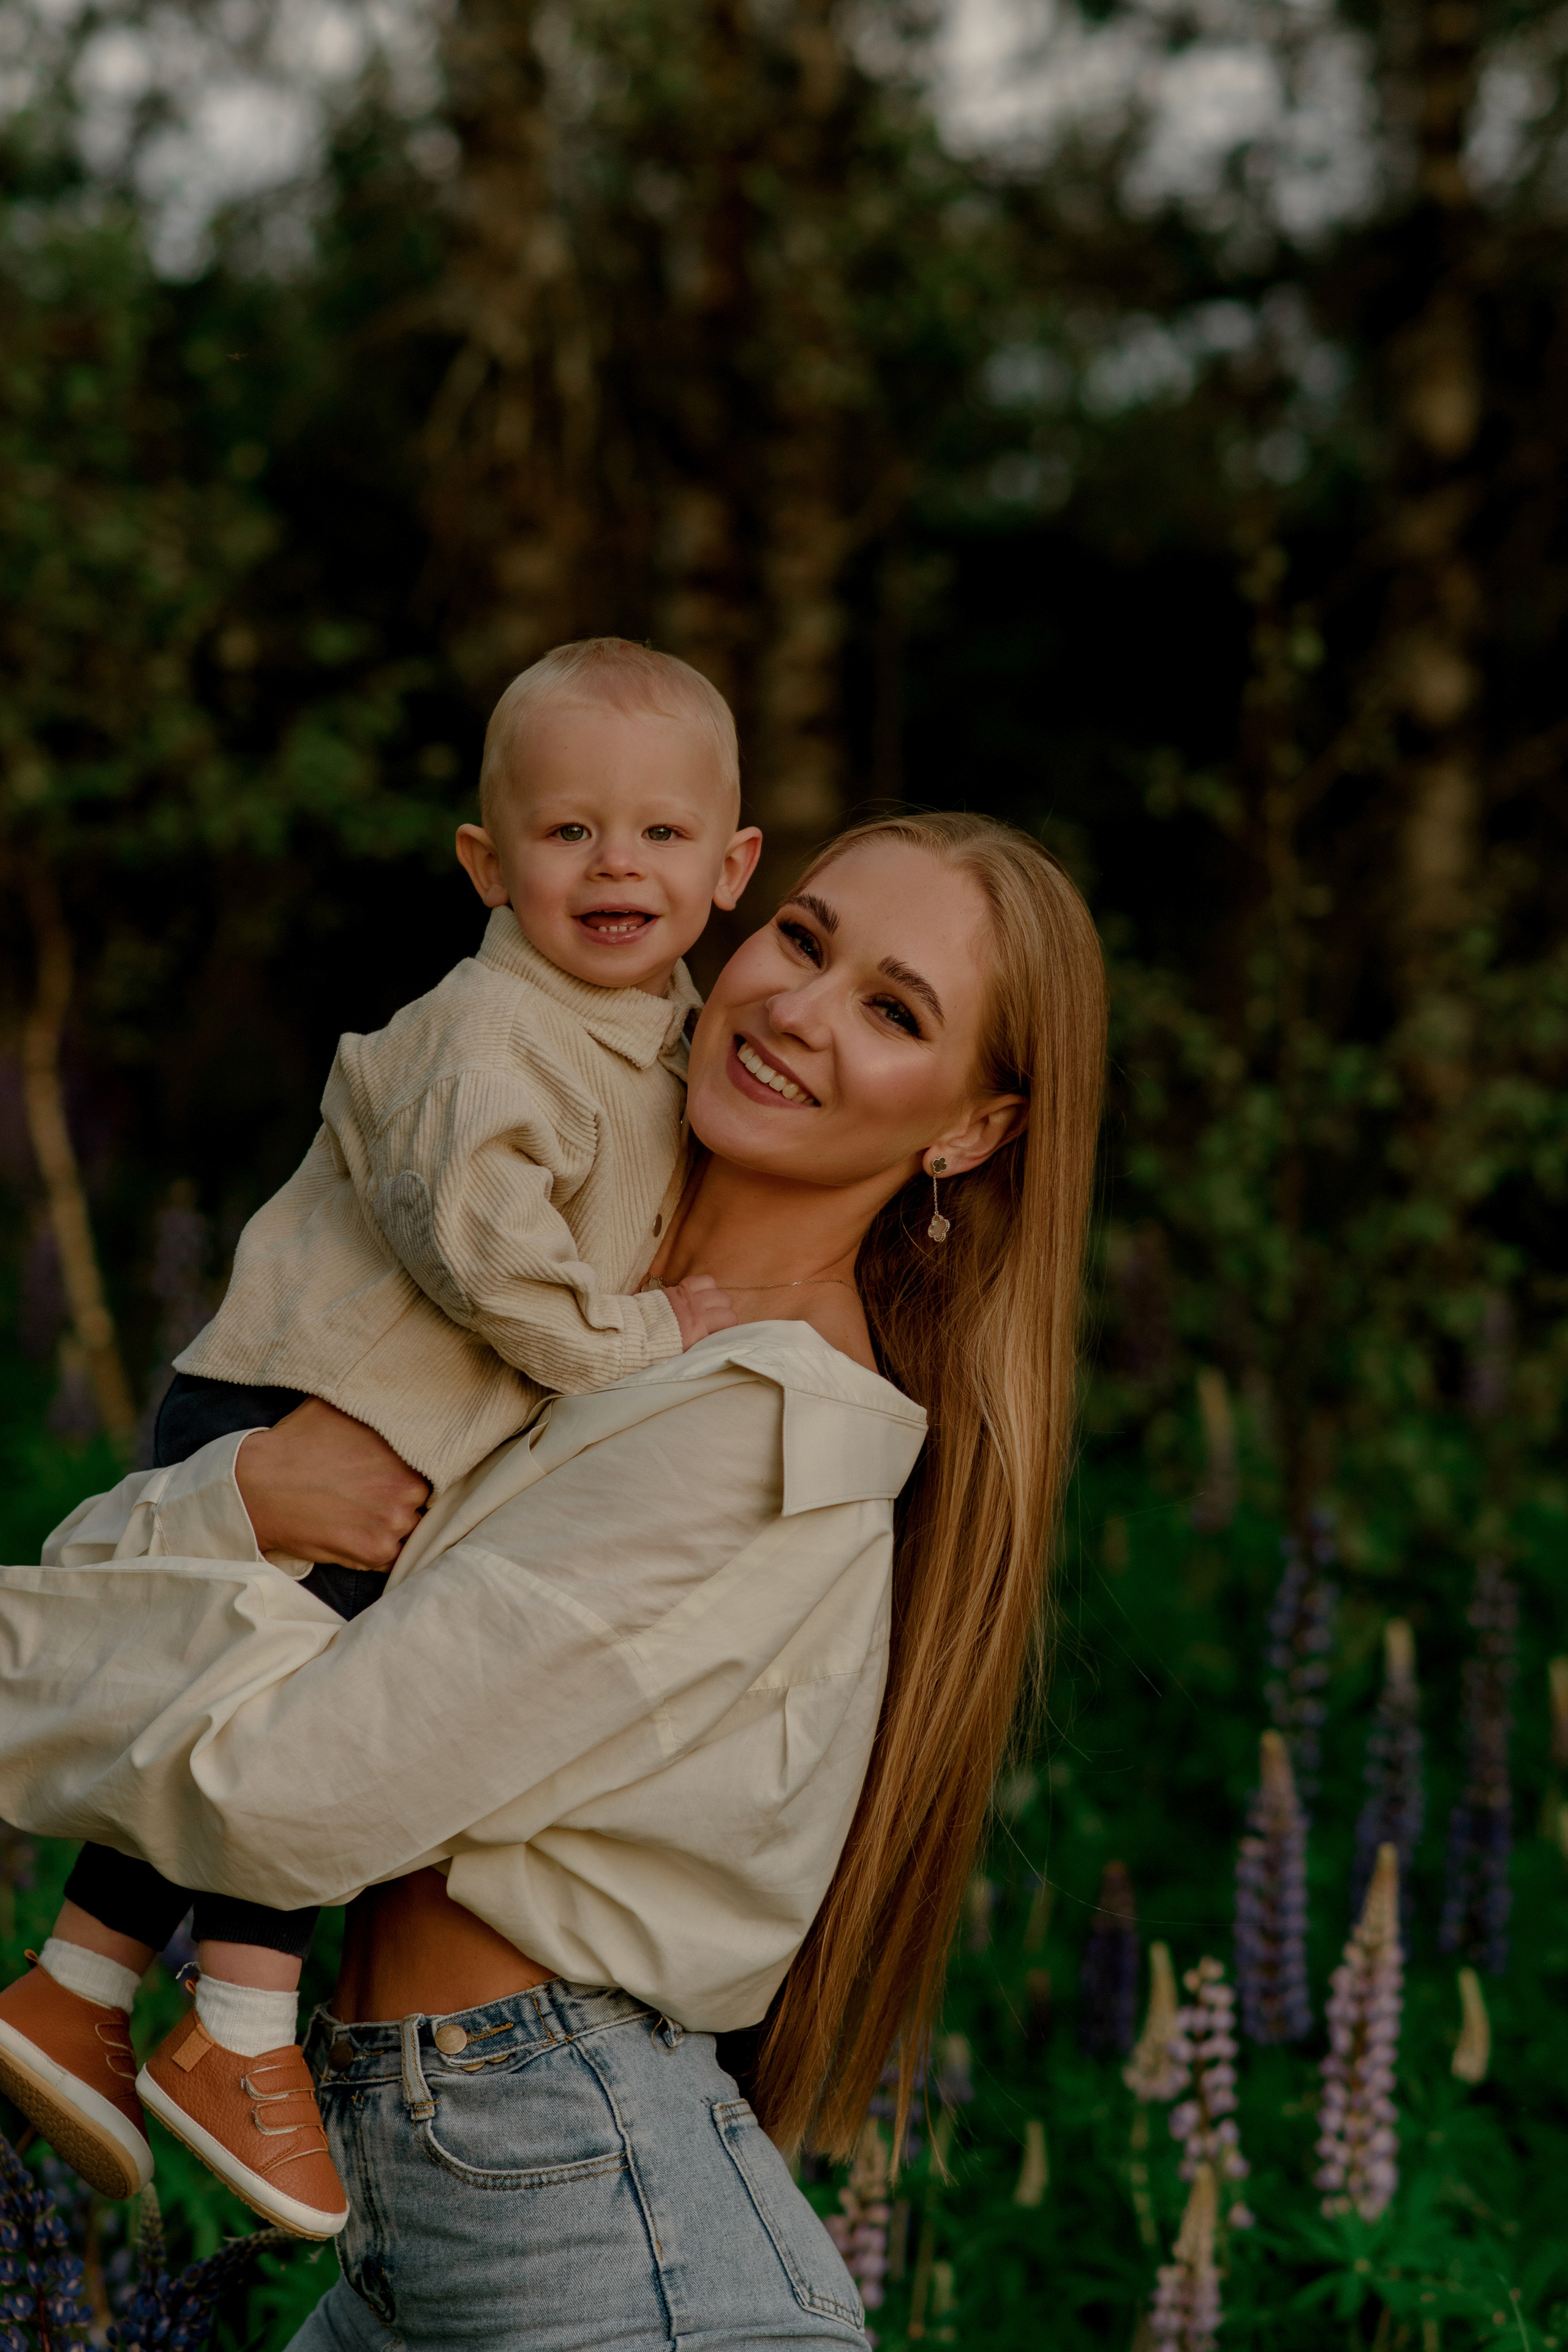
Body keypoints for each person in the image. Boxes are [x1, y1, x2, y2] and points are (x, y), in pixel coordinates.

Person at [0, 813, 1106, 2351]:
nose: (798, 1007)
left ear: (967, 1134)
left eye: (892, 1009)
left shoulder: (756, 1430)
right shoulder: (543, 1305)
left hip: (600, 2242)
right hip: (446, 2223)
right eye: (802, 937)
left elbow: (288, 1787)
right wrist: (239, 1492)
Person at [0, 635, 760, 2233]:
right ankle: (242, 2025)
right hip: (302, 1409)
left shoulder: (674, 1039)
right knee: (308, 1708)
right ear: (488, 862)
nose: (617, 862)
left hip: (389, 1424)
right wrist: (650, 1337)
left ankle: (76, 1984)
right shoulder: (493, 1031)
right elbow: (488, 1256)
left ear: (733, 865)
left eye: (663, 834)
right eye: (568, 833)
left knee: (221, 1696)